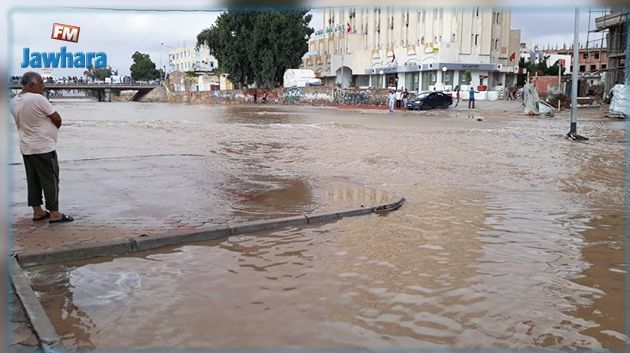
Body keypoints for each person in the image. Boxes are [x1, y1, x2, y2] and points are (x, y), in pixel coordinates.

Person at [10, 72, 74, 223]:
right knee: (50, 179)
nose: (43, 86)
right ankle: (54, 213)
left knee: (33, 180)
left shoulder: (13, 102)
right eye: (40, 83)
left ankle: (37, 211)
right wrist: (52, 130)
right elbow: (57, 118)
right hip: (43, 147)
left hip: (26, 146)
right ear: (31, 85)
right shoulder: (38, 99)